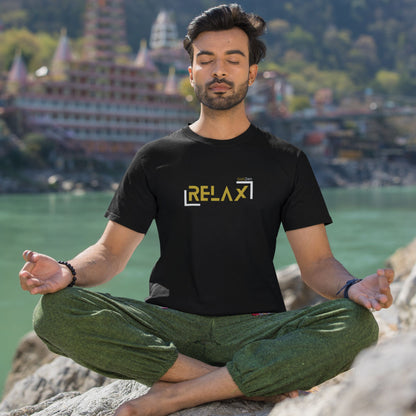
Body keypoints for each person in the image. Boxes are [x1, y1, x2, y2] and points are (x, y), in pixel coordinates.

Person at [19, 4, 394, 416]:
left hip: (255, 328)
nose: (219, 70)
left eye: (233, 60)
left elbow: (318, 263)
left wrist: (351, 287)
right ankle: (237, 382)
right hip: (170, 328)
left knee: (357, 325)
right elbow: (110, 255)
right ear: (191, 72)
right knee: (53, 312)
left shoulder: (285, 161)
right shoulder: (156, 158)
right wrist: (66, 272)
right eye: (206, 60)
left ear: (251, 73)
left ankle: (181, 392)